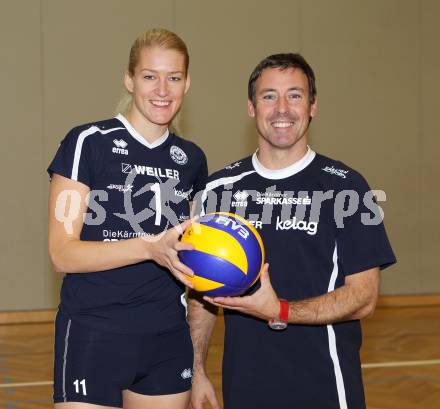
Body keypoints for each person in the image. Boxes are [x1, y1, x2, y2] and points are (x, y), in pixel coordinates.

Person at [188, 53, 396, 409]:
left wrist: (279, 310)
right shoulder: (216, 191)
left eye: (295, 95)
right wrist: (196, 370)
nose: (281, 108)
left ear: (313, 106)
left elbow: (364, 297)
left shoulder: (348, 188)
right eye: (269, 96)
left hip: (327, 389)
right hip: (245, 388)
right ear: (251, 107)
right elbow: (201, 296)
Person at [48, 28, 207, 409]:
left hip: (167, 338)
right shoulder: (87, 142)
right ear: (129, 78)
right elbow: (62, 253)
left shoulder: (193, 160)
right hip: (93, 331)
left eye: (174, 77)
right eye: (150, 76)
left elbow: (195, 261)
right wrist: (149, 248)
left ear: (187, 83)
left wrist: (199, 368)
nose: (162, 90)